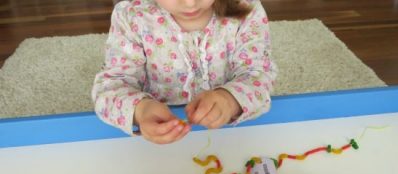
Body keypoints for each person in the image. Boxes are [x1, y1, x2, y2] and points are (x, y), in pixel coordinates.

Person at [92, 0, 277, 144]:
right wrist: (141, 111)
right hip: (158, 142)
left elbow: (260, 76)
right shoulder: (130, 16)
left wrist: (230, 101)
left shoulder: (248, 10)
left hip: (233, 135)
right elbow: (109, 90)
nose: (190, 3)